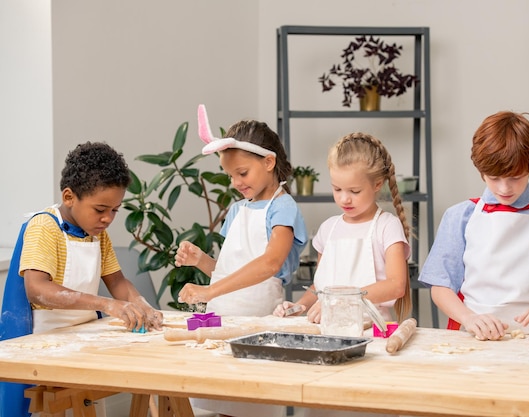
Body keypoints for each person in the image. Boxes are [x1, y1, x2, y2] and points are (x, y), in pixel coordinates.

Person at [0, 141, 163, 417]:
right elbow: (37, 290)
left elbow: (118, 282)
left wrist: (141, 303)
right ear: (69, 197)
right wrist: (108, 305)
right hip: (43, 343)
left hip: (82, 339)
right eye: (100, 209)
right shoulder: (44, 228)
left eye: (115, 210)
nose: (108, 219)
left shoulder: (95, 233)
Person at [175, 105, 307, 417]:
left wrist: (208, 292)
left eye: (242, 173)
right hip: (221, 321)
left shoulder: (282, 208)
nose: (236, 182)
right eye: (230, 175)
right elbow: (228, 271)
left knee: (250, 405)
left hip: (258, 323)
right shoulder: (237, 210)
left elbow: (269, 264)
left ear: (269, 161)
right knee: (217, 404)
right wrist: (202, 260)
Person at [418, 111, 529, 341]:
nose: (504, 189)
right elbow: (440, 288)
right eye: (494, 178)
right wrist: (469, 318)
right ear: (481, 171)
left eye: (515, 177)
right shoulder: (459, 217)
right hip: (474, 337)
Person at [275, 132, 412, 326]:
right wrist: (298, 307)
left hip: (370, 330)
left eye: (354, 191)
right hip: (327, 328)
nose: (344, 199)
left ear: (377, 184)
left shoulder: (387, 226)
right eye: (337, 189)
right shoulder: (328, 229)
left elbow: (396, 286)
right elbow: (319, 288)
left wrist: (342, 300)